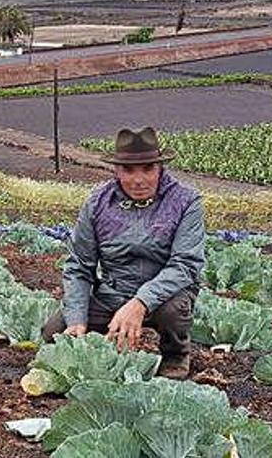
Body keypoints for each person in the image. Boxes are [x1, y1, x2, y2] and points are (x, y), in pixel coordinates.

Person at [42, 127, 205, 380]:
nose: (138, 179)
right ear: (116, 170)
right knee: (55, 331)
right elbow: (79, 266)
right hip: (113, 292)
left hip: (164, 295)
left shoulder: (186, 201)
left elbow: (185, 264)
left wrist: (141, 302)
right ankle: (103, 351)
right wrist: (76, 319)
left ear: (159, 168)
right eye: (128, 170)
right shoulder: (97, 203)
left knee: (174, 311)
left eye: (148, 168)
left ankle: (176, 353)